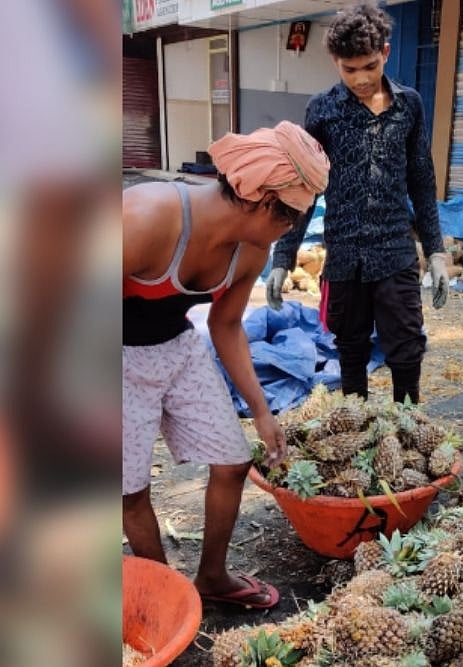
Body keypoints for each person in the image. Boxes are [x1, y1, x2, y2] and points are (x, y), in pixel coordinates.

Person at [123, 121, 329, 608]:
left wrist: (261, 411)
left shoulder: (252, 250)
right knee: (129, 491)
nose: (291, 229)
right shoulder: (145, 218)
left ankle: (212, 578)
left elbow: (228, 324)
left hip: (178, 347)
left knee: (234, 462)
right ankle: (165, 597)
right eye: (291, 217)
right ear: (262, 200)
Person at [266, 2, 448, 405]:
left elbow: (422, 179)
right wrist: (283, 257)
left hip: (395, 251)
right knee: (350, 347)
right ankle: (356, 423)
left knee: (406, 346)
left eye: (370, 66)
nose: (361, 79)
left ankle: (406, 422)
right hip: (344, 253)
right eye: (350, 70)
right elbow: (306, 188)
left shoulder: (409, 105)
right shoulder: (322, 109)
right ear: (335, 61)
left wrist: (435, 252)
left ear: (385, 52)